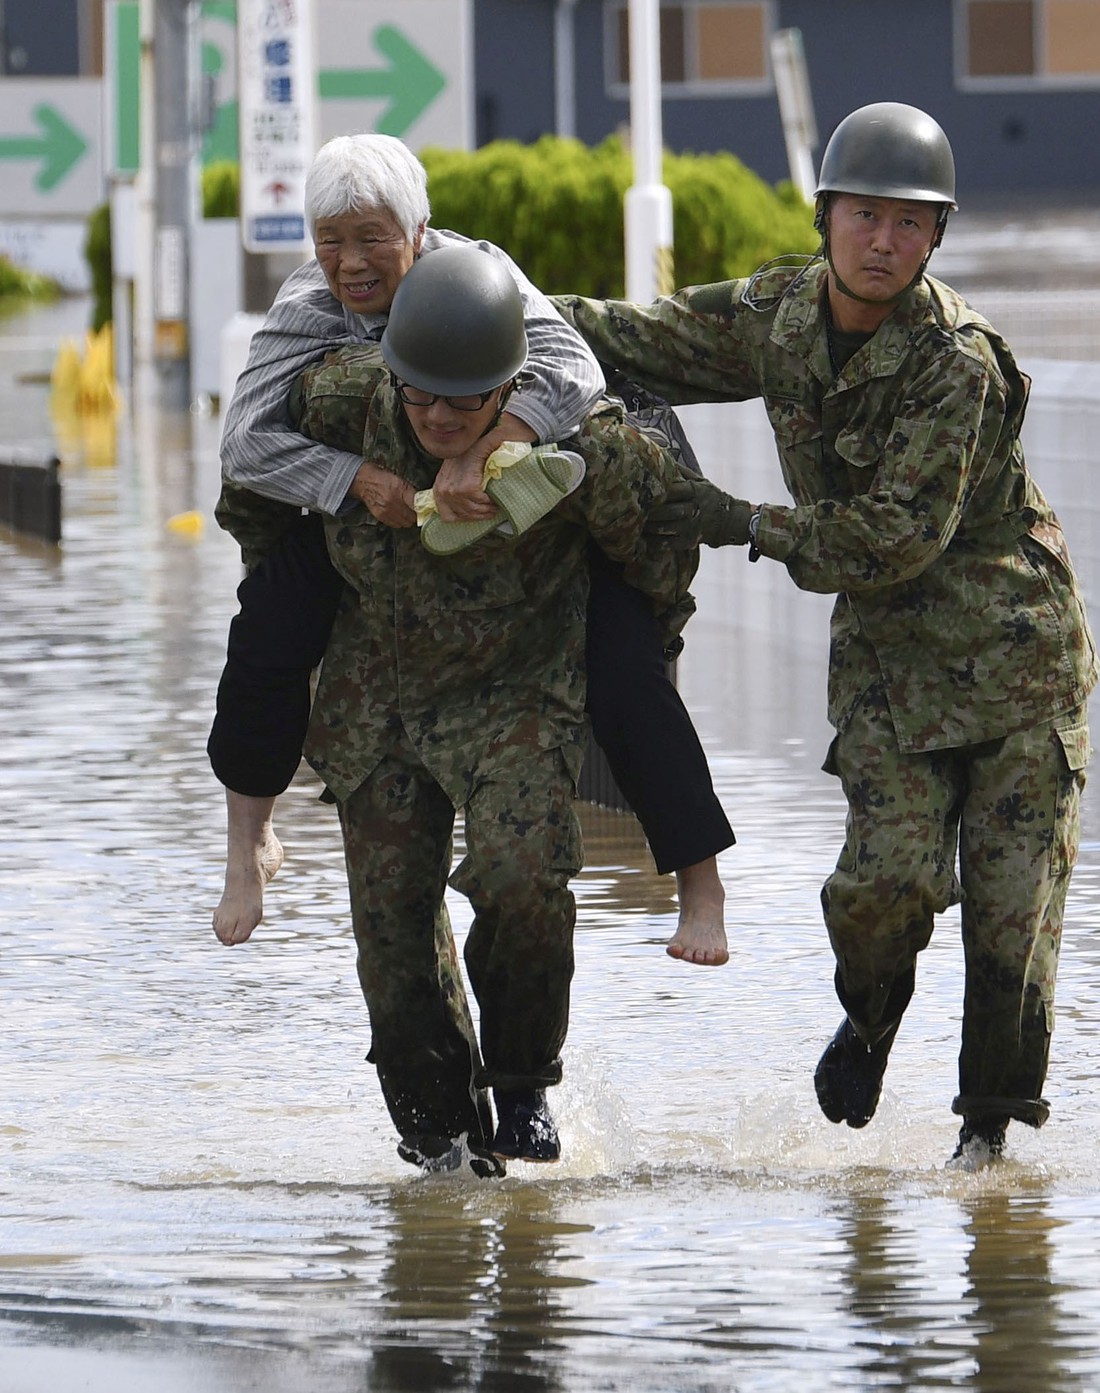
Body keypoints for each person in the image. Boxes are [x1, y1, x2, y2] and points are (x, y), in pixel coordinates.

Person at [550, 102, 1098, 1169]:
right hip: (892, 668)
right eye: (863, 216)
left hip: (1016, 660)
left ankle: (983, 1144)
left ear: (933, 236)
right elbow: (634, 335)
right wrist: (482, 301)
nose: (882, 240)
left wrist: (734, 520)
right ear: (826, 216)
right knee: (878, 886)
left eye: (907, 223)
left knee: (1008, 925)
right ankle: (871, 1014)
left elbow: (891, 539)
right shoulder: (778, 315)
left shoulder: (957, 362)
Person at [218, 244, 699, 1174]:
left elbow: (657, 536)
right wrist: (330, 513)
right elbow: (251, 484)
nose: (438, 418)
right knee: (394, 947)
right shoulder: (341, 401)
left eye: (463, 402)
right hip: (381, 704)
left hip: (517, 694)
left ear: (512, 387)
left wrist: (637, 641)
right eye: (420, 397)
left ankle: (522, 1083)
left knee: (524, 884)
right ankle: (441, 1143)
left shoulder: (576, 438)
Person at [209, 132, 734, 967]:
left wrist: (489, 445)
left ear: (417, 232)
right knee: (267, 620)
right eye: (331, 239)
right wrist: (353, 478)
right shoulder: (309, 304)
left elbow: (573, 366)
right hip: (375, 518)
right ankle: (251, 842)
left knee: (627, 668)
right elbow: (242, 444)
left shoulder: (473, 275)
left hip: (530, 501)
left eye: (372, 236)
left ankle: (699, 884)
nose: (350, 262)